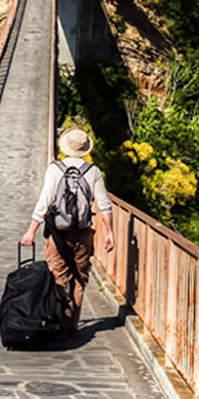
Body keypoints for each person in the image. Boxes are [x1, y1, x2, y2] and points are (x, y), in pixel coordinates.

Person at [20, 127, 115, 334]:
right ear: (84, 149)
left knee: (59, 277)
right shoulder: (93, 172)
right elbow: (105, 205)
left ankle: (60, 321)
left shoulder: (55, 169)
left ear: (66, 147)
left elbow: (44, 202)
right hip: (83, 233)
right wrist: (110, 232)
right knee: (80, 278)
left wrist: (31, 230)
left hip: (57, 234)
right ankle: (71, 326)